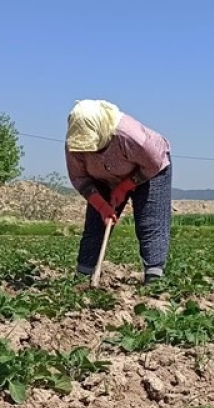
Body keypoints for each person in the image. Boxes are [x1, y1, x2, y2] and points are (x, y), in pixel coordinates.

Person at [65, 99, 172, 284]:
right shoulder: (74, 144)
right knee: (95, 226)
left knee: (149, 222)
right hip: (102, 179)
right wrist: (101, 206)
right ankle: (83, 276)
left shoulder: (130, 136)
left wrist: (125, 186)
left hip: (149, 172)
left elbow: (153, 163)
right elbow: (79, 179)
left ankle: (154, 279)